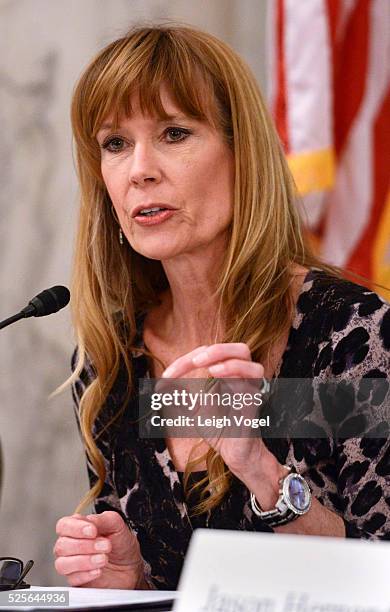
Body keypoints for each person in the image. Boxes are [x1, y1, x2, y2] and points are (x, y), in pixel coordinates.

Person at [53, 24, 390, 590]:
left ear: (243, 156)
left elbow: (380, 578)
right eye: (115, 143)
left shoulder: (351, 334)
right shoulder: (110, 360)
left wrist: (260, 472)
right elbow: (177, 589)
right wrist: (129, 577)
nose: (140, 169)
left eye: (175, 133)